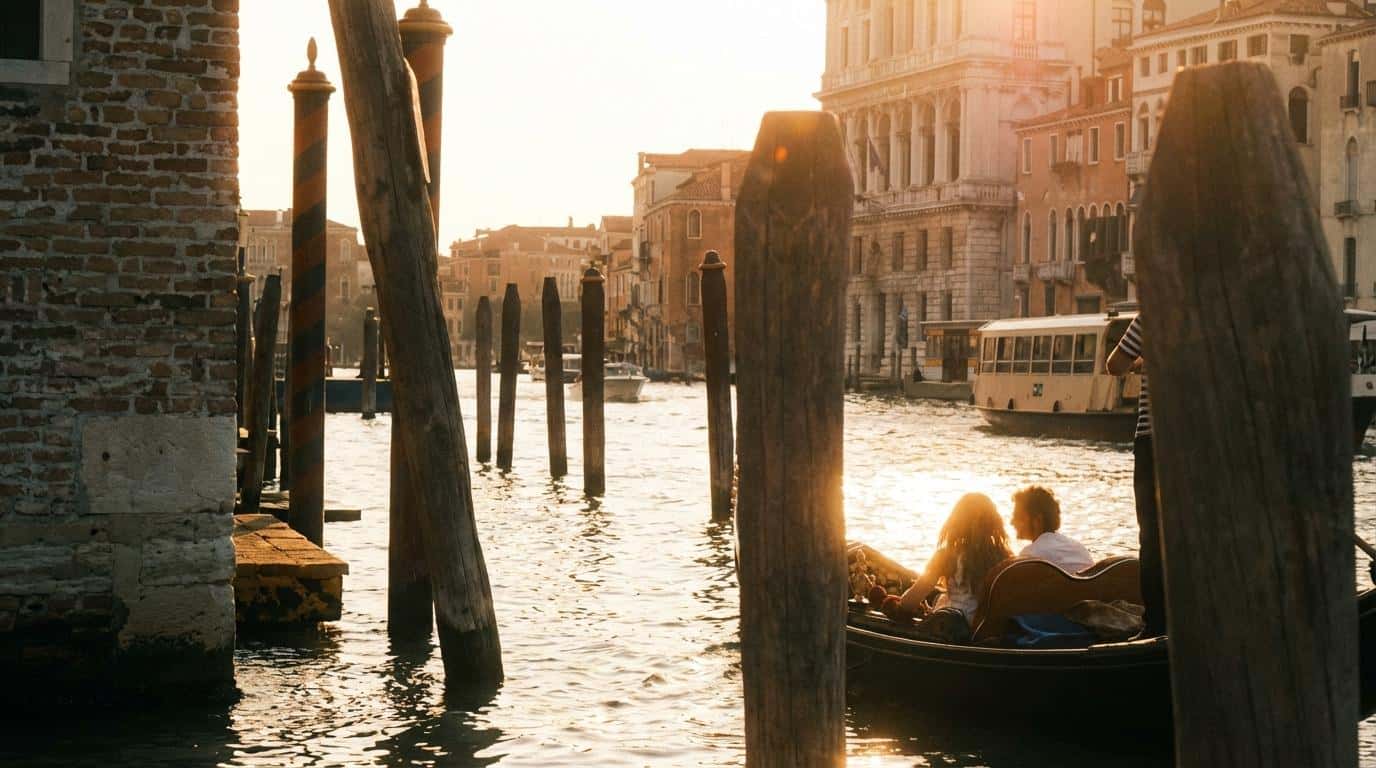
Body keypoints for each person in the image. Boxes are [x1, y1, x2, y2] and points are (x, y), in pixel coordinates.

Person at [1106, 315, 1165, 637]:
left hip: (1154, 440)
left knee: (1152, 537)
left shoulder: (1151, 315)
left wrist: (1142, 361)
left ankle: (1157, 624)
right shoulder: (1210, 310)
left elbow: (1115, 365)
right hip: (1199, 440)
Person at [893, 492, 1014, 641]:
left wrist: (899, 604)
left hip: (951, 628)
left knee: (937, 600)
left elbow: (910, 602)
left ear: (957, 522)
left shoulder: (946, 556)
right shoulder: (1006, 557)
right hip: (984, 632)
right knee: (939, 596)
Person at [1010, 485, 1095, 573]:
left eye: (1017, 517)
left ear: (1037, 520)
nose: (1012, 522)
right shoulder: (1079, 549)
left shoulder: (1030, 555)